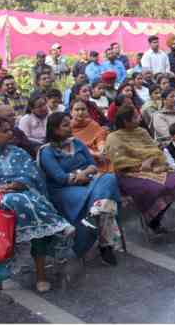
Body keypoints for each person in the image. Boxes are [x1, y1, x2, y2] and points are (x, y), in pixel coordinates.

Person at [0, 117, 75, 293]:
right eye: (5, 130)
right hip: (2, 201)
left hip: (23, 196)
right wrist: (5, 188)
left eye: (11, 129)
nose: (11, 133)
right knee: (13, 201)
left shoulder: (17, 152)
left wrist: (17, 184)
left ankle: (41, 275)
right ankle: (57, 224)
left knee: (26, 206)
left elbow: (33, 175)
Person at [38, 112, 122, 265]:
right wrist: (80, 176)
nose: (69, 127)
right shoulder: (47, 151)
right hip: (63, 191)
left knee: (109, 178)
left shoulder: (76, 142)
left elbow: (93, 165)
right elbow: (60, 177)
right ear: (54, 129)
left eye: (69, 123)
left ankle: (95, 212)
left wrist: (84, 173)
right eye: (64, 125)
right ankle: (105, 245)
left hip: (88, 182)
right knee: (106, 201)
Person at [105, 105, 175, 234]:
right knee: (154, 188)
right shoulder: (113, 137)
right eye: (136, 116)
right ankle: (153, 219)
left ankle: (155, 218)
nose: (139, 118)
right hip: (127, 174)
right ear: (126, 121)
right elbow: (119, 161)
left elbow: (154, 149)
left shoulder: (141, 131)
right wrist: (140, 166)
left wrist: (149, 161)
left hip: (151, 167)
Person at [69, 99, 111, 172]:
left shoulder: (92, 124)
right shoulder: (68, 127)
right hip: (81, 159)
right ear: (71, 112)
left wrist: (101, 150)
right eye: (77, 110)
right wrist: (95, 154)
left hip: (100, 157)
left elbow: (100, 138)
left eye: (83, 109)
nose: (80, 112)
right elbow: (75, 147)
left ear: (87, 111)